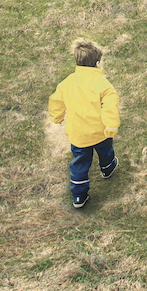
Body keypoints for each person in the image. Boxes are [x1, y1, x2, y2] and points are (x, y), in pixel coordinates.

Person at [47, 38, 120, 209]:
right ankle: (107, 168)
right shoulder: (103, 85)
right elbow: (110, 107)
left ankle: (79, 196)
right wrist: (111, 127)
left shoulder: (67, 83)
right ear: (97, 63)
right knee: (106, 151)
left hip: (78, 134)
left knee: (80, 163)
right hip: (100, 132)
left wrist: (57, 117)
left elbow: (56, 101)